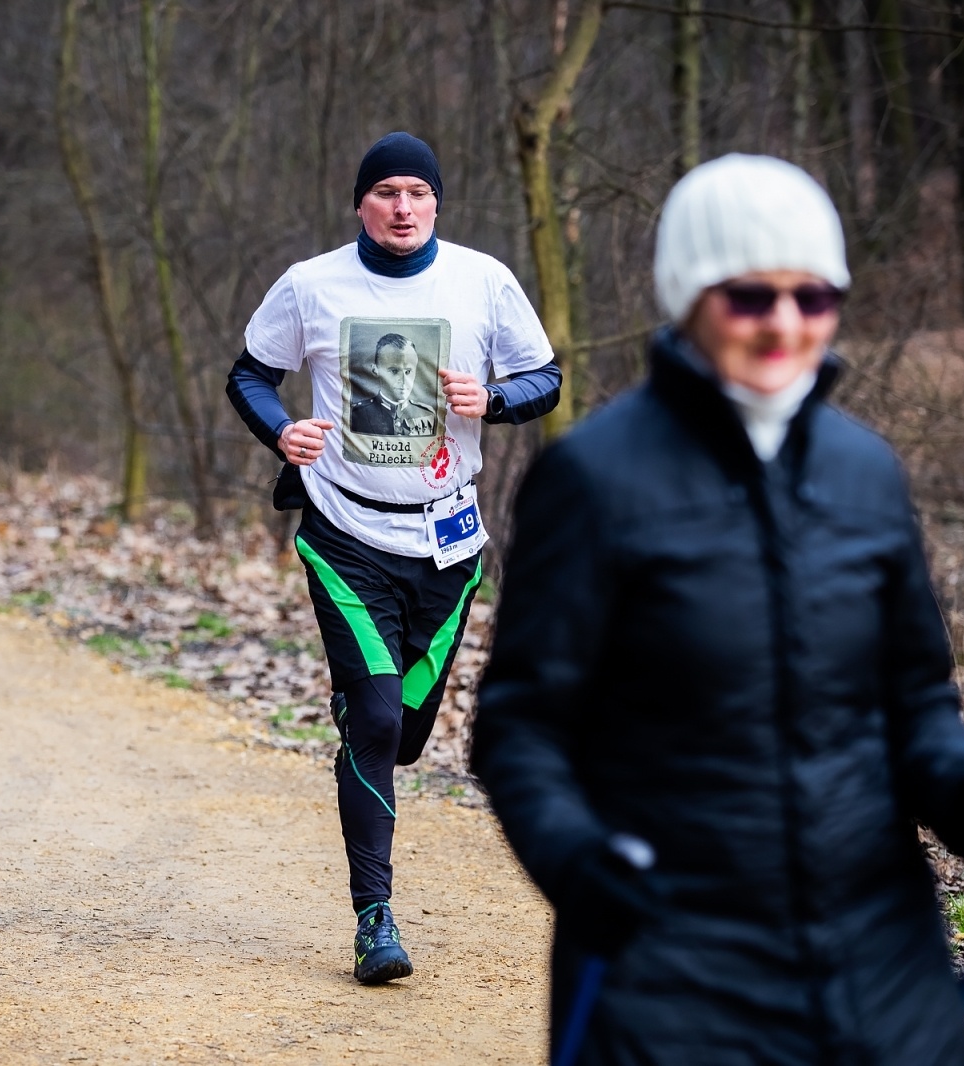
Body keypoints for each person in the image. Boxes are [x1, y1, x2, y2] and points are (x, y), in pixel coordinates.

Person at [472, 154, 964, 1064]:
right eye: (751, 297)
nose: (786, 325)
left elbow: (916, 703)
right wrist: (577, 859)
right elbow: (520, 729)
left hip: (882, 962)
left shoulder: (867, 474)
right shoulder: (591, 480)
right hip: (671, 970)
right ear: (690, 297)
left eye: (814, 298)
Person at [226, 131, 562, 985]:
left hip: (449, 545)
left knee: (404, 733)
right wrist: (282, 431)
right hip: (346, 536)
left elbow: (546, 379)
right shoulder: (312, 285)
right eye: (385, 192)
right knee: (375, 721)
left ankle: (370, 726)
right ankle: (374, 920)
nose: (402, 206)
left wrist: (492, 398)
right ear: (361, 204)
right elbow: (249, 375)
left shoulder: (484, 281)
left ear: (437, 201)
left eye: (417, 191)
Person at [349, 333, 437, 436]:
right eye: (394, 371)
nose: (404, 380)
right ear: (375, 370)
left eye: (408, 371)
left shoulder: (427, 414)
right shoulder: (357, 414)